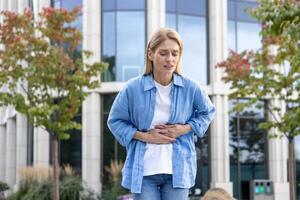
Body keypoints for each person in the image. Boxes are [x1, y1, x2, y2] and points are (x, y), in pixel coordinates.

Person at [107, 28, 215, 200]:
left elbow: (207, 112)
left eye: (175, 53)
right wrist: (144, 136)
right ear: (150, 54)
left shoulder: (191, 87)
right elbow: (115, 121)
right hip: (144, 172)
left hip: (178, 172)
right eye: (163, 53)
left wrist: (184, 129)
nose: (170, 59)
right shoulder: (132, 88)